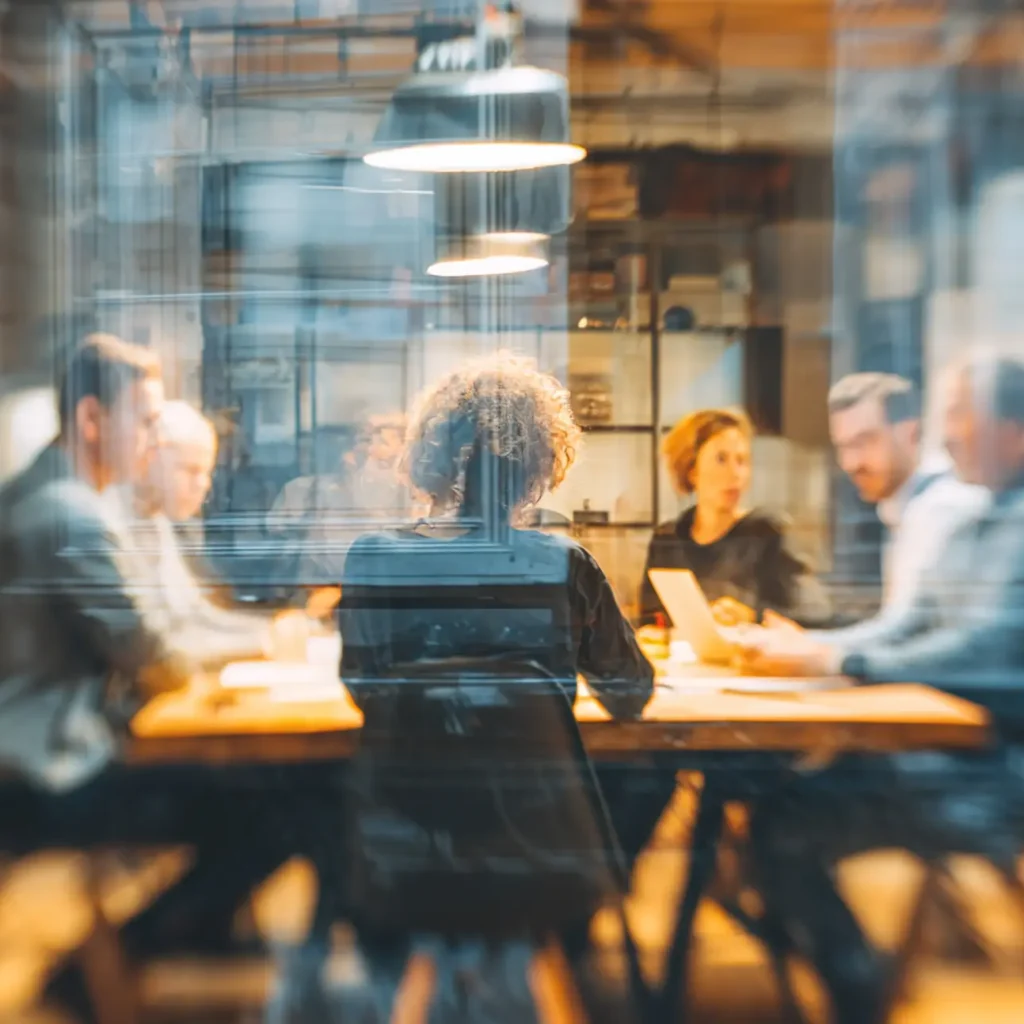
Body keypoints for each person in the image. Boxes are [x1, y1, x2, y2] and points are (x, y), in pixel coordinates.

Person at [336, 355, 671, 1014]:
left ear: (430, 453)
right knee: (654, 777)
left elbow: (364, 689)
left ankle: (426, 960)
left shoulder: (374, 559)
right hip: (542, 859)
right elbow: (631, 694)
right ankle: (566, 944)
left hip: (408, 852)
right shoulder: (562, 564)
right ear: (539, 463)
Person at [742, 350, 1024, 1024]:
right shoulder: (979, 519)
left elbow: (981, 647)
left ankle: (859, 1001)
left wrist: (842, 664)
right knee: (770, 793)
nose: (947, 431)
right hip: (952, 756)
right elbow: (903, 625)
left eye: (961, 413)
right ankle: (846, 980)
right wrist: (818, 651)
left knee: (785, 823)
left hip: (992, 775)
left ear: (1013, 427)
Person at [769, 373, 986, 647]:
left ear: (911, 433)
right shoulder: (903, 506)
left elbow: (907, 635)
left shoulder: (941, 509)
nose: (850, 462)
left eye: (864, 441)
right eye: (843, 446)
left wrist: (807, 645)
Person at [107, 400, 316, 666]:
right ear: (150, 457)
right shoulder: (117, 530)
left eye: (207, 473)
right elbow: (163, 647)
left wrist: (270, 630)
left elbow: (199, 615)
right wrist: (263, 642)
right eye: (191, 470)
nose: (202, 485)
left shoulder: (159, 522)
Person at [639, 407, 830, 628]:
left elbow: (812, 615)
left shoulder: (767, 532)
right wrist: (651, 634)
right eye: (721, 459)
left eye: (742, 461)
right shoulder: (668, 539)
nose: (736, 473)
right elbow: (649, 618)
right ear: (691, 469)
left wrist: (752, 616)